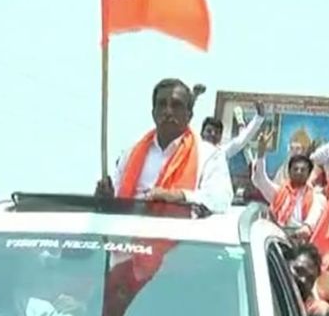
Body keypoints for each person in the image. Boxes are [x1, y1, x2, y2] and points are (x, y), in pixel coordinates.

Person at [96, 78, 234, 214]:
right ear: (153, 113)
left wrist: (178, 196)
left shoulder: (208, 155)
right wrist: (106, 199)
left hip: (180, 233)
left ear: (189, 115)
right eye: (162, 104)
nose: (168, 111)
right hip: (129, 232)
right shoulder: (130, 154)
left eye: (176, 105)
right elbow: (117, 199)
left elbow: (221, 199)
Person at [252, 131, 326, 244]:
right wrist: (261, 154)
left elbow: (311, 221)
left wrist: (304, 229)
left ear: (309, 173)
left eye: (303, 170)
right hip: (277, 242)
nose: (299, 172)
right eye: (295, 169)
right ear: (289, 172)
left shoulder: (317, 197)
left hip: (303, 244)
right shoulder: (279, 192)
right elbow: (260, 179)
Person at [200, 101, 266, 159]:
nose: (213, 134)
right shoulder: (194, 151)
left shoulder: (221, 153)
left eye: (217, 132)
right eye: (209, 131)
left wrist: (259, 117)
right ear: (202, 133)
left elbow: (241, 140)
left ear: (220, 137)